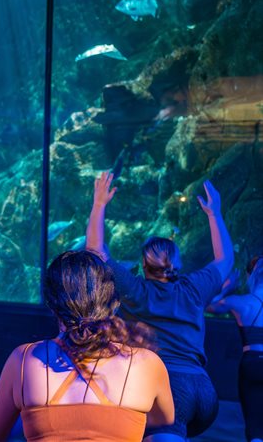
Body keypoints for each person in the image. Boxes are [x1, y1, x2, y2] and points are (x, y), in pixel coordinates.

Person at [87, 171, 234, 441]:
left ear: (143, 267)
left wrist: (98, 204)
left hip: (168, 390)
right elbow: (225, 260)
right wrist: (215, 214)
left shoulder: (135, 291)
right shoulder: (193, 289)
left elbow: (96, 251)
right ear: (177, 264)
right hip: (203, 391)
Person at [0, 250, 175, 442]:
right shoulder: (147, 363)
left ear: (52, 305)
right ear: (113, 302)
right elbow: (164, 419)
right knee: (166, 438)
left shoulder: (23, 359)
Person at [206, 256, 263, 442]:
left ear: (249, 276)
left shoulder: (241, 302)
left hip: (251, 363)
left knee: (254, 425)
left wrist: (227, 287)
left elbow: (208, 305)